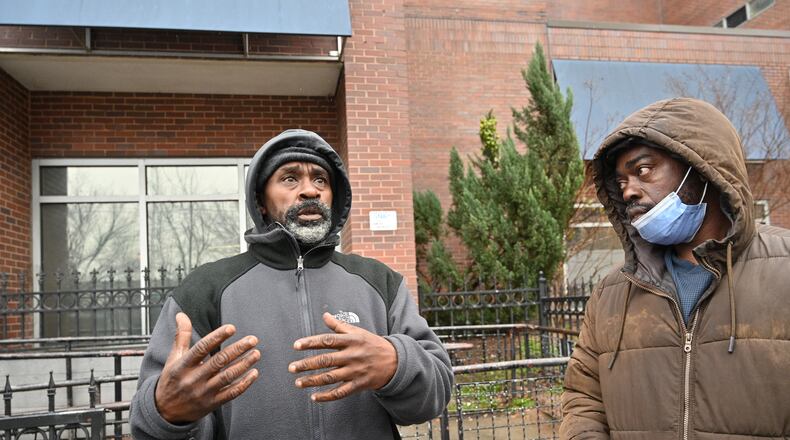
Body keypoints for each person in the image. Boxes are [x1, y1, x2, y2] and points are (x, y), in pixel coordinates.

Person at [130, 129, 453, 439]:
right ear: (260, 201)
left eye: (320, 180)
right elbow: (147, 422)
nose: (310, 190)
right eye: (289, 178)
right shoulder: (205, 289)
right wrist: (168, 413)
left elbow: (433, 398)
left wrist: (397, 365)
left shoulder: (379, 281)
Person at [560, 98, 790, 439]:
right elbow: (583, 400)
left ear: (700, 168)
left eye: (642, 171)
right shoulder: (612, 292)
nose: (629, 192)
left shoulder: (784, 268)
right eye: (621, 182)